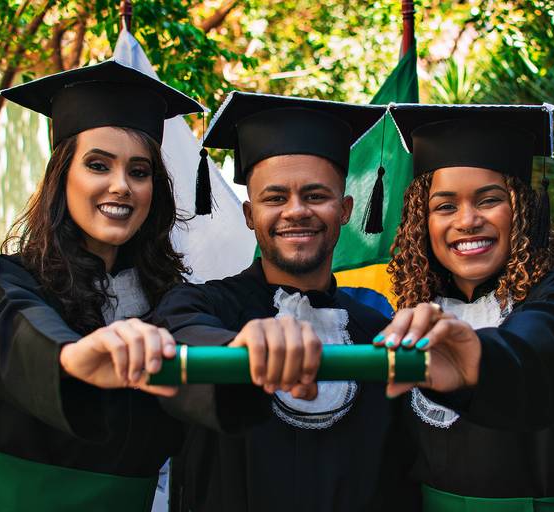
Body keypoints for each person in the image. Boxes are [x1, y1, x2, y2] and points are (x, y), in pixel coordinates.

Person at [0, 60, 206, 512]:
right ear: (63, 176)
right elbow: (23, 337)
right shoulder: (8, 282)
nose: (121, 186)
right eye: (98, 165)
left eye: (139, 172)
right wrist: (75, 359)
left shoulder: (171, 299)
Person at [156, 92, 416, 512]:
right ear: (248, 214)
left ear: (345, 209)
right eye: (275, 198)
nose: (295, 211)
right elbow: (174, 340)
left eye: (315, 196)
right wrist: (240, 349)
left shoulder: (377, 332)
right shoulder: (200, 308)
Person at [374, 104, 554, 511]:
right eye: (445, 206)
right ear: (422, 220)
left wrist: (474, 359)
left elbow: (534, 351)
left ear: (522, 208)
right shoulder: (410, 319)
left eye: (489, 200)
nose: (467, 221)